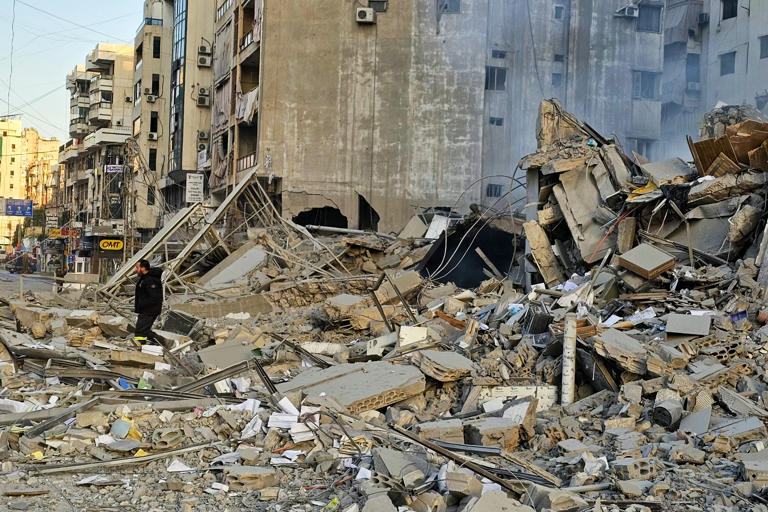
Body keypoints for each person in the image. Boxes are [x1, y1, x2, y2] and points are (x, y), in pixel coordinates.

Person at [134, 259, 163, 344]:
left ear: (143, 268)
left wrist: (142, 304)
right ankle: (160, 341)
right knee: (144, 330)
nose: (136, 270)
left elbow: (154, 297)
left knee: (140, 332)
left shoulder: (151, 280)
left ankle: (139, 346)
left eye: (137, 268)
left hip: (149, 310)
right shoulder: (144, 278)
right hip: (145, 310)